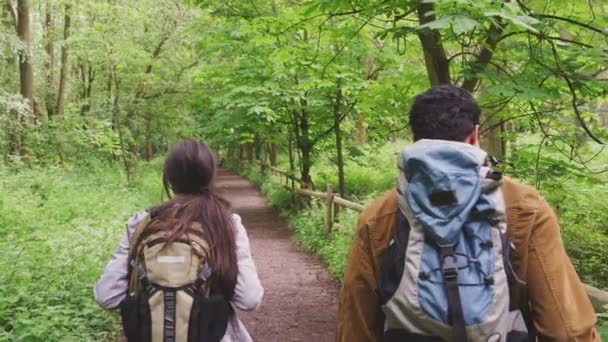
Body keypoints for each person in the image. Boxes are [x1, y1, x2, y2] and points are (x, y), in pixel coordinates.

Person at [336, 85, 599, 341]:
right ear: (474, 135)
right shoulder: (525, 207)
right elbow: (566, 329)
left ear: (416, 138)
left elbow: (356, 326)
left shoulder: (378, 216)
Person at [94, 140, 263, 342]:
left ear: (169, 178)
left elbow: (107, 295)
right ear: (210, 176)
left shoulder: (142, 223)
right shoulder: (227, 224)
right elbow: (249, 298)